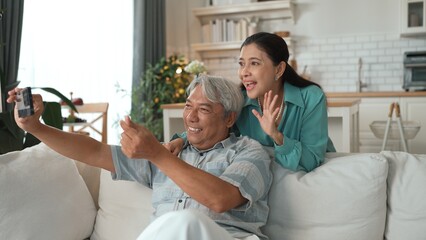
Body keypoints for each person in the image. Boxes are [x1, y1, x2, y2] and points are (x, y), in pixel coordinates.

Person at [7, 74, 272, 240]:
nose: (190, 117)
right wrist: (35, 127)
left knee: (186, 220)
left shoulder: (249, 152)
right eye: (188, 106)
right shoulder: (167, 153)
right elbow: (93, 151)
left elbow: (220, 199)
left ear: (229, 118)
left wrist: (158, 155)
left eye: (203, 109)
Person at [166, 32, 335, 172]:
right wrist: (182, 139)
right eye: (241, 64)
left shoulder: (311, 97)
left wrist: (276, 135)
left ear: (279, 69)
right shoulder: (240, 99)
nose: (244, 72)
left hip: (310, 175)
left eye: (254, 63)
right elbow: (215, 127)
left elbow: (312, 160)